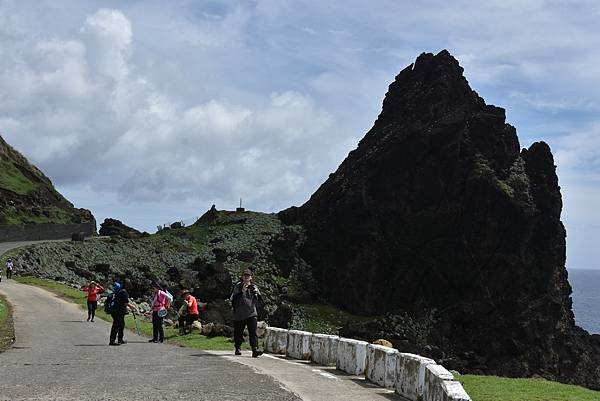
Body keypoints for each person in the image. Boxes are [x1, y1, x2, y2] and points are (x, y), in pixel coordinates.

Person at [230, 269, 263, 357]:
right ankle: (237, 348)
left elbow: (260, 300)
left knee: (253, 332)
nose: (246, 278)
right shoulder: (238, 286)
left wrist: (255, 293)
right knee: (238, 332)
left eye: (248, 276)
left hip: (252, 313)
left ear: (251, 277)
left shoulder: (254, 286)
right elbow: (233, 299)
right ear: (242, 277)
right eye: (245, 276)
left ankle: (255, 349)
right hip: (239, 314)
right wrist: (242, 291)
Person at [109, 282, 136, 346]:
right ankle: (112, 341)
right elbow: (125, 303)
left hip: (116, 311)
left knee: (120, 325)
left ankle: (120, 339)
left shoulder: (120, 291)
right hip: (119, 311)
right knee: (116, 326)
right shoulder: (124, 292)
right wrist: (132, 307)